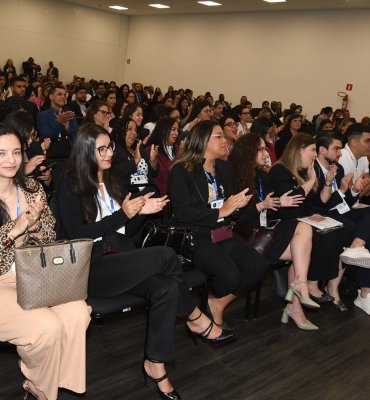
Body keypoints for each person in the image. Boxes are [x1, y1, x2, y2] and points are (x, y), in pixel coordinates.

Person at [57, 123, 233, 400]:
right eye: (100, 149)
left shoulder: (113, 180)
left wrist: (142, 212)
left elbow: (127, 232)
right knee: (166, 255)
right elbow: (76, 235)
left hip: (120, 258)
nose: (108, 153)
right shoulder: (69, 186)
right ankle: (195, 317)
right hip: (90, 267)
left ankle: (155, 363)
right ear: (83, 151)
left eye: (109, 147)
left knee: (165, 287)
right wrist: (124, 215)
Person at [0, 124, 91, 400]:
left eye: (16, 152)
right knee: (46, 327)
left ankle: (46, 383)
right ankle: (42, 389)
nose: (11, 160)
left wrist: (37, 228)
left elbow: (50, 233)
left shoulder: (31, 188)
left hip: (34, 273)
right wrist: (14, 230)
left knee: (78, 313)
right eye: (1, 153)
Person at [169, 120, 268, 327]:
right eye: (219, 136)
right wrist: (220, 212)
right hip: (197, 236)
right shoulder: (182, 171)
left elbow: (231, 205)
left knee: (257, 266)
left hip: (223, 232)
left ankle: (217, 303)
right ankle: (204, 308)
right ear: (203, 140)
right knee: (230, 276)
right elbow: (182, 212)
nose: (225, 141)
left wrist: (238, 205)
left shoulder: (223, 168)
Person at [229, 133, 323, 329]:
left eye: (265, 148)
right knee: (302, 249)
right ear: (249, 152)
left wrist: (280, 203)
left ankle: (298, 291)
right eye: (261, 149)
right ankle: (297, 302)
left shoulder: (263, 175)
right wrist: (261, 206)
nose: (266, 153)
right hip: (245, 236)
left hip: (266, 231)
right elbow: (235, 218)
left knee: (303, 235)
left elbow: (275, 210)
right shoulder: (235, 176)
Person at [268, 134, 358, 305]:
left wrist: (327, 183)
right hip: (287, 221)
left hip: (305, 219)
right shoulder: (279, 169)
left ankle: (313, 283)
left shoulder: (304, 171)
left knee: (341, 231)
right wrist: (312, 180)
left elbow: (320, 201)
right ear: (299, 150)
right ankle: (310, 284)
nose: (314, 155)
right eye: (311, 150)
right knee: (325, 235)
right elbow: (294, 200)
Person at [314, 133, 370, 316]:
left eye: (339, 149)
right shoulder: (313, 169)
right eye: (336, 149)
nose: (339, 153)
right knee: (363, 234)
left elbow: (340, 201)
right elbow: (322, 205)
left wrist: (353, 190)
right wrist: (345, 189)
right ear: (322, 150)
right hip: (323, 215)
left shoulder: (335, 167)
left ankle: (356, 246)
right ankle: (365, 292)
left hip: (340, 211)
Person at [111, 118, 158, 189]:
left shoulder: (138, 147)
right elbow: (114, 172)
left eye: (135, 130)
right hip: (129, 195)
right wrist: (135, 161)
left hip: (148, 191)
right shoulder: (114, 148)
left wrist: (153, 163)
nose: (134, 133)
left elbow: (154, 174)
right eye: (129, 129)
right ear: (120, 131)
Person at [147, 116, 180, 196]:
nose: (177, 133)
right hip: (160, 197)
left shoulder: (178, 149)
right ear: (163, 130)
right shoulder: (151, 150)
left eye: (177, 130)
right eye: (173, 129)